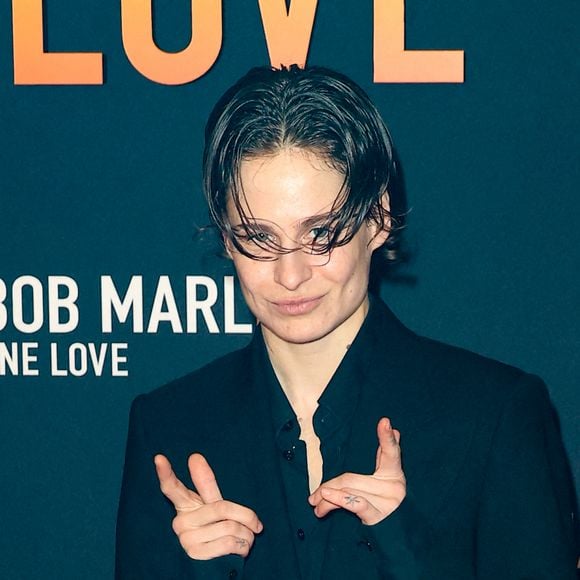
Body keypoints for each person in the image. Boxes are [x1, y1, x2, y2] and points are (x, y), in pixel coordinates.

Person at [115, 65, 577, 579]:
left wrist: (412, 553)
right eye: (259, 237)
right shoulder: (170, 425)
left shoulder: (492, 415)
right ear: (227, 239)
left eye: (321, 233)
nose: (290, 275)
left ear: (376, 220)